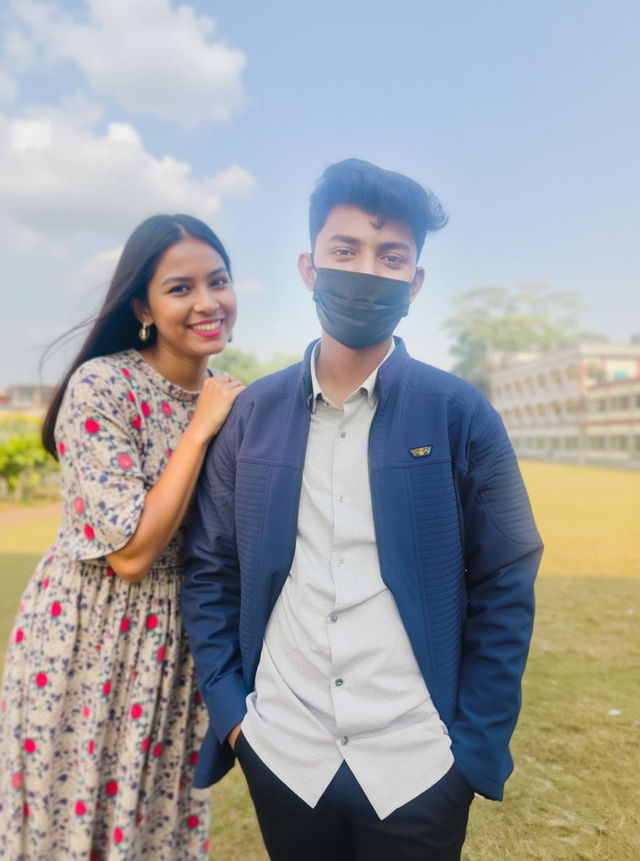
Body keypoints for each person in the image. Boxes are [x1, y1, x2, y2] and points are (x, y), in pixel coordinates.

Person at [181, 159, 543, 860]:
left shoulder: (460, 413)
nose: (365, 270)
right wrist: (235, 719)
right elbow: (209, 570)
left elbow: (507, 580)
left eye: (391, 256)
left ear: (416, 282)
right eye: (344, 250)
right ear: (308, 267)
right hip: (283, 751)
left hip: (418, 763)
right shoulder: (251, 416)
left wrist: (470, 747)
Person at [0, 214, 244, 859]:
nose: (206, 302)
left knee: (153, 821)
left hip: (178, 647)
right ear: (142, 304)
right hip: (88, 635)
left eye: (218, 281)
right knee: (70, 822)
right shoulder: (103, 385)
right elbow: (131, 554)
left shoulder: (233, 402)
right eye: (180, 287)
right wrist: (198, 430)